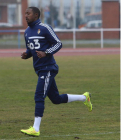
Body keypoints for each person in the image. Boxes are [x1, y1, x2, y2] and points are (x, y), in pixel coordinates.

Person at [21, 7, 92, 137]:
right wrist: (27, 55)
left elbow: (58, 43)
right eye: (25, 13)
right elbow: (31, 49)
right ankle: (84, 97)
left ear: (36, 15)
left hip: (48, 68)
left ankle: (35, 129)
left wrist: (46, 52)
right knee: (56, 99)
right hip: (39, 69)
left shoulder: (45, 28)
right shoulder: (26, 32)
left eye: (28, 13)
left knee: (38, 96)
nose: (25, 15)